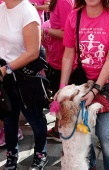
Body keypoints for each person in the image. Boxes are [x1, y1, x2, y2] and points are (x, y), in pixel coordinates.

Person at [54, 0, 109, 169]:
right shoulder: (74, 16)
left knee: (104, 132)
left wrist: (95, 90)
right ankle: (89, 163)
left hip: (105, 83)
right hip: (81, 83)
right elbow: (68, 55)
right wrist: (63, 88)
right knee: (81, 129)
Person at [0, 0, 48, 169]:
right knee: (8, 119)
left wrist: (7, 69)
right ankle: (12, 155)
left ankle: (40, 154)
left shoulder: (27, 11)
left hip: (26, 77)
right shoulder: (1, 10)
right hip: (5, 77)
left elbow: (33, 52)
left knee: (35, 118)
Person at [41, 0, 74, 142]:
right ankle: (57, 130)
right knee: (60, 99)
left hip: (62, 60)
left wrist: (44, 30)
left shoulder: (63, 1)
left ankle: (61, 131)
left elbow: (68, 33)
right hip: (57, 58)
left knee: (62, 99)